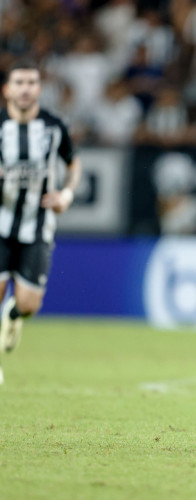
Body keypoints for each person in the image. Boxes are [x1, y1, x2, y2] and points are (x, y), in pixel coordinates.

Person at [0, 60, 81, 384]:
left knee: (29, 304)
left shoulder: (53, 126)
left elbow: (73, 163)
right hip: (0, 226)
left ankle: (15, 315)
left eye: (32, 82)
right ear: (6, 89)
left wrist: (66, 195)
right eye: (19, 82)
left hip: (38, 228)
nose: (25, 88)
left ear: (39, 89)